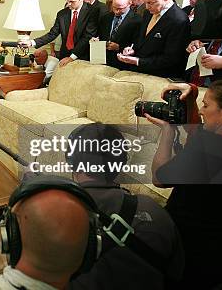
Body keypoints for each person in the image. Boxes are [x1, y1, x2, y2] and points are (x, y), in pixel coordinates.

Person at [145, 79, 222, 289]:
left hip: (189, 253)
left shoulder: (211, 148)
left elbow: (159, 178)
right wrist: (191, 96)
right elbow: (199, 133)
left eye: (206, 105)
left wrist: (167, 132)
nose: (201, 112)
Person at [67, 123, 184, 289]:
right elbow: (176, 272)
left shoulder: (54, 215)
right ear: (120, 162)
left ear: (71, 161)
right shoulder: (155, 210)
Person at [117, 0, 190, 79]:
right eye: (146, 2)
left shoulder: (179, 20)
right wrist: (132, 49)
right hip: (138, 72)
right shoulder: (148, 13)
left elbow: (171, 58)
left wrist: (138, 61)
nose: (147, 7)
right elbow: (143, 39)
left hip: (159, 77)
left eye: (151, 3)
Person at [23, 0, 99, 67]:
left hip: (82, 57)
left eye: (72, 2)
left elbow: (87, 37)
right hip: (64, 56)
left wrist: (71, 58)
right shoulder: (62, 14)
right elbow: (52, 34)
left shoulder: (92, 12)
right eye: (67, 0)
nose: (68, 4)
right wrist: (32, 42)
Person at [95, 0, 142, 69]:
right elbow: (99, 36)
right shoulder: (105, 18)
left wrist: (119, 47)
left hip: (123, 66)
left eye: (120, 8)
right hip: (103, 63)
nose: (116, 11)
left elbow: (137, 46)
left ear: (130, 3)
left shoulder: (138, 21)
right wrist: (96, 41)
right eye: (114, 7)